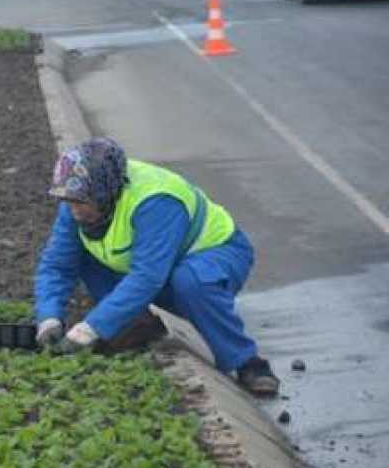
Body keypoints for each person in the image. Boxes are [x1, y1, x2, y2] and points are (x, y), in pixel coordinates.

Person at [34, 137, 281, 396]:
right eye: (69, 201)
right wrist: (49, 318)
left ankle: (247, 362)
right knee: (80, 254)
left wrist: (90, 328)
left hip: (216, 255)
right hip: (156, 264)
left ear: (105, 192)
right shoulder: (78, 196)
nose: (73, 210)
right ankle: (137, 323)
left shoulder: (156, 201)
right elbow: (57, 264)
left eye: (80, 202)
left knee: (189, 282)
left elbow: (147, 277)